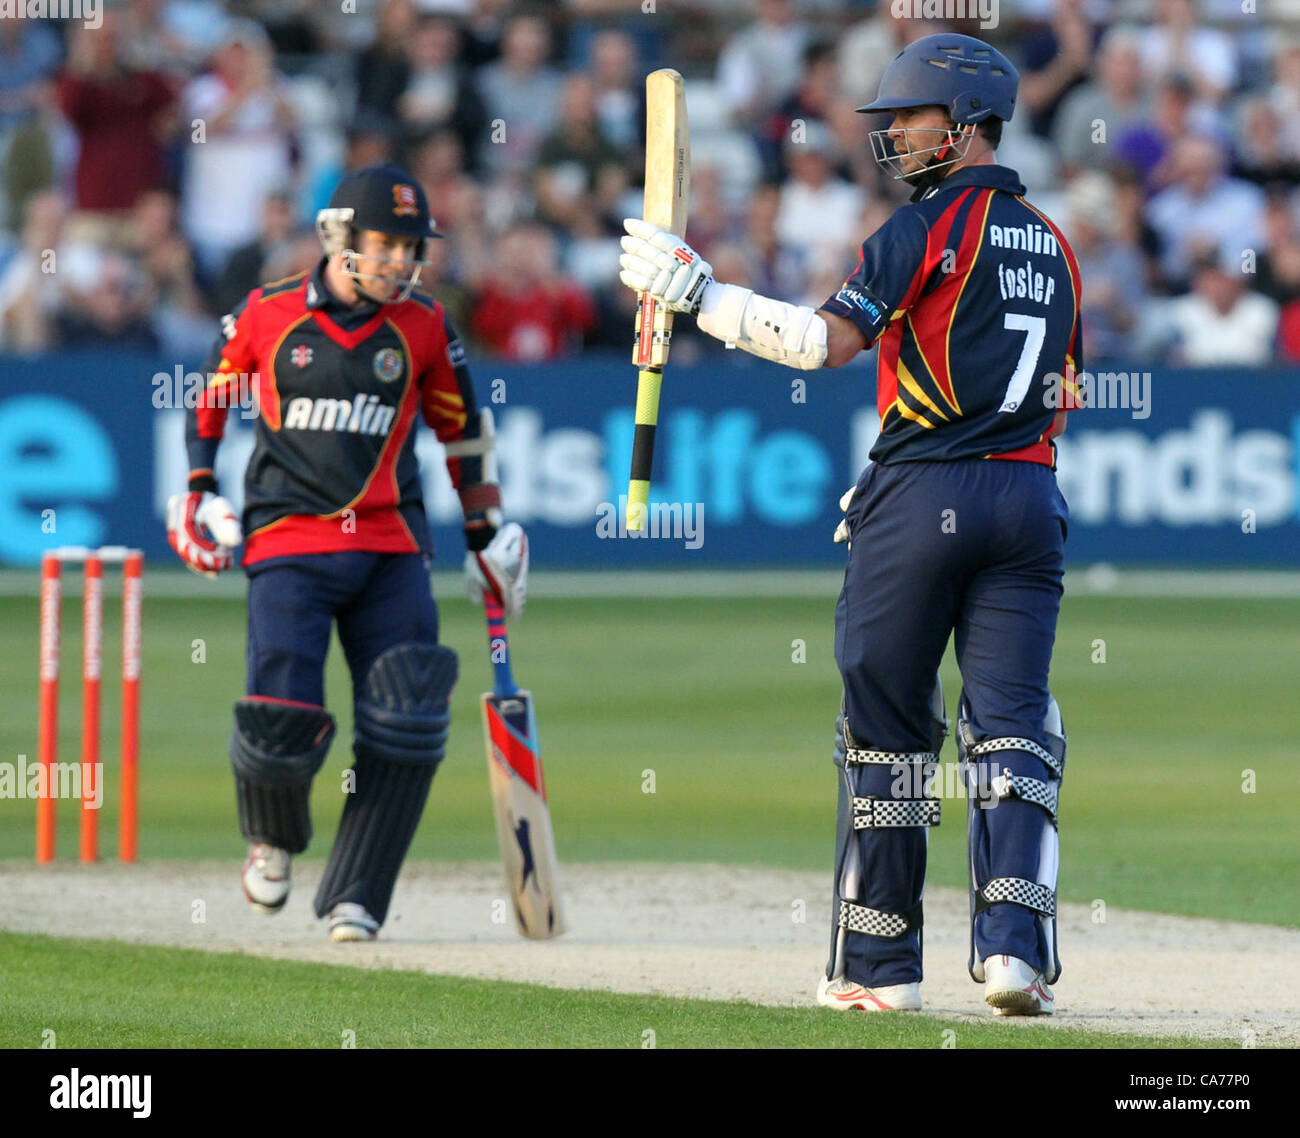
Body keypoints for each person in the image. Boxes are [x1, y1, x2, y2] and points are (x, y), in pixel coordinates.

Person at [619, 33, 1078, 1016]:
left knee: (887, 733)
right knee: (1013, 727)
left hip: (920, 500)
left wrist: (699, 296)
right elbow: (1054, 392)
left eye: (907, 119)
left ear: (959, 130)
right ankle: (1013, 956)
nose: (893, 137)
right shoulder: (1056, 243)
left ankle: (879, 970)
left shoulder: (920, 227)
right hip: (1029, 502)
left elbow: (822, 343)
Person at [166, 164, 528, 943]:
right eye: (386, 243)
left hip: (391, 544)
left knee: (408, 713)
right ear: (340, 237)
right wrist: (198, 486)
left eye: (412, 246)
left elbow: (459, 431)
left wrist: (486, 531)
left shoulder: (426, 325)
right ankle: (273, 839)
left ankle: (358, 894)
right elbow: (214, 395)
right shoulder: (268, 313)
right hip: (287, 540)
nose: (401, 260)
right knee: (280, 722)